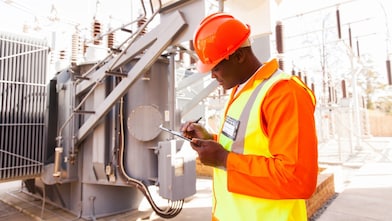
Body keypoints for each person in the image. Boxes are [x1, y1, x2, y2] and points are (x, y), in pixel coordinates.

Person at [181, 12, 318, 221]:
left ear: (238, 56)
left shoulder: (284, 93)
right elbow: (245, 145)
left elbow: (296, 178)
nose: (212, 75)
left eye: (216, 67)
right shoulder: (240, 91)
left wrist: (223, 158)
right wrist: (211, 140)